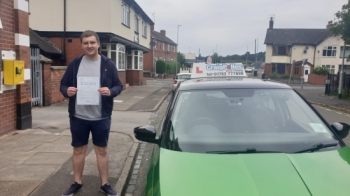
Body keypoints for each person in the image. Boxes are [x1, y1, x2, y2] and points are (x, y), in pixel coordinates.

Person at [60, 30, 123, 196]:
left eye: (92, 42)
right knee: (78, 150)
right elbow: (63, 85)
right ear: (82, 45)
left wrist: (110, 92)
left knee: (101, 151)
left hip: (101, 117)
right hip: (78, 116)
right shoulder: (75, 64)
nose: (89, 46)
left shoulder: (108, 64)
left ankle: (105, 184)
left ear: (98, 44)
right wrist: (68, 91)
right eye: (86, 43)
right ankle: (77, 182)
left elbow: (118, 85)